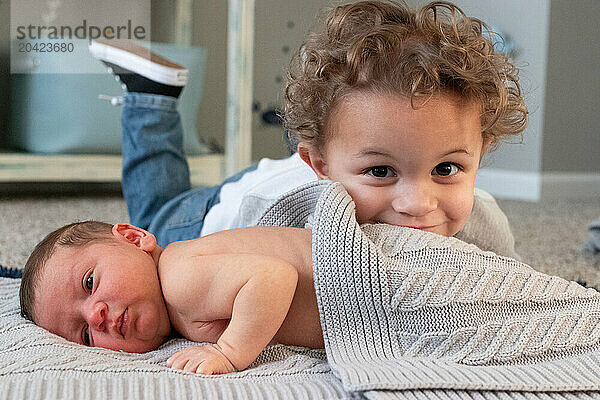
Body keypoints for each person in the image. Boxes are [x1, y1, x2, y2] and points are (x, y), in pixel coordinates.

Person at [86, 0, 527, 258]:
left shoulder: (484, 230)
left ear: (482, 150)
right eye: (381, 171)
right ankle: (152, 99)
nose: (417, 204)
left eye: (447, 168)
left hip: (302, 168)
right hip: (226, 209)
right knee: (151, 228)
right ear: (318, 163)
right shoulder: (279, 223)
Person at [20, 220, 321, 375]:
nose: (94, 317)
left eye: (89, 283)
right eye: (85, 335)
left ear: (134, 238)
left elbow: (273, 277)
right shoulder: (176, 307)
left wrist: (228, 353)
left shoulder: (178, 278)